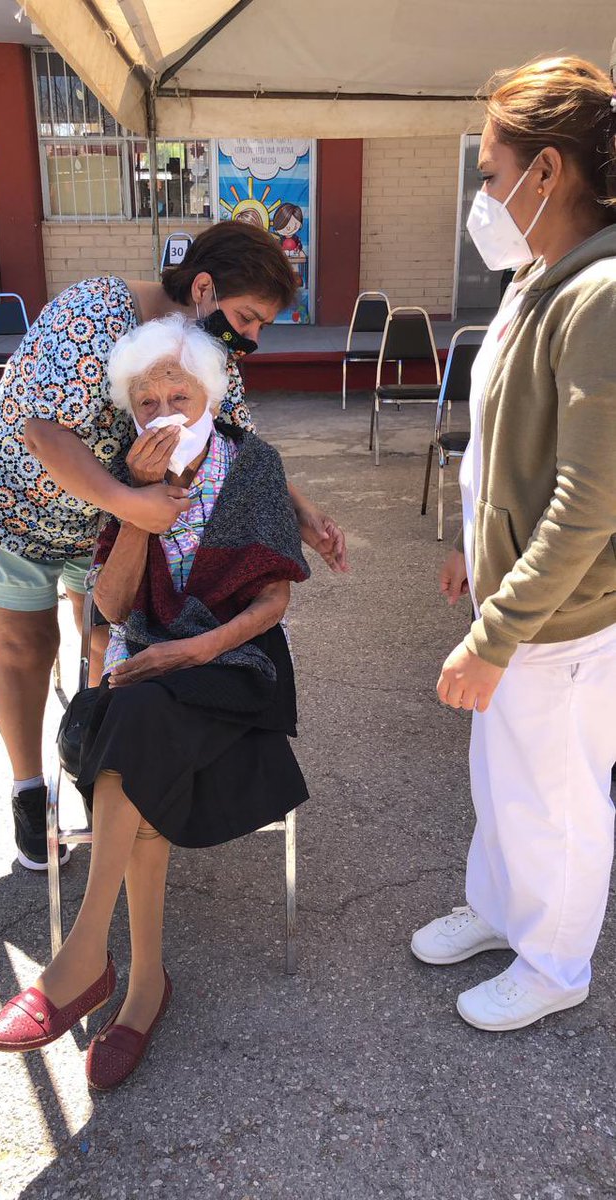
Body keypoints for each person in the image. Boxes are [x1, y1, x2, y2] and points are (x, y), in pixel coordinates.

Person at [0, 220, 345, 872]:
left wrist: (303, 514)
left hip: (102, 526)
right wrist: (135, 506)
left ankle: (102, 776)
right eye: (246, 317)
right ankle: (27, 792)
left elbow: (233, 440)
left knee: (108, 640)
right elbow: (43, 433)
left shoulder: (210, 353)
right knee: (27, 646)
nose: (251, 337)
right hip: (10, 506)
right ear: (204, 287)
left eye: (261, 326)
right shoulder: (94, 310)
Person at [0, 314, 310, 1090]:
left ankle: (89, 960)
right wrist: (136, 504)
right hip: (150, 680)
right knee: (136, 713)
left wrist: (192, 648)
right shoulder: (124, 474)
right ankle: (139, 983)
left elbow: (271, 605)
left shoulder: (252, 464)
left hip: (233, 667)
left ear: (211, 393)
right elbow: (117, 605)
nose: (164, 409)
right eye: (147, 398)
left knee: (134, 717)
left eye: (179, 393)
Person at [411, 57, 616, 1032]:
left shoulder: (603, 293)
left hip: (566, 617)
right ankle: (500, 912)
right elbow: (505, 449)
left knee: (558, 794)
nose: (482, 196)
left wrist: (497, 633)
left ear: (547, 173)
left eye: (491, 175)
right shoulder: (543, 275)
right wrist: (473, 546)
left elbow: (587, 500)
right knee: (503, 777)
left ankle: (556, 962)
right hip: (521, 596)